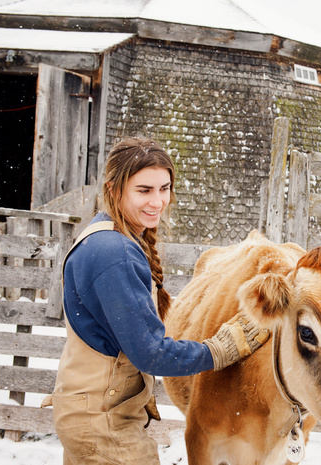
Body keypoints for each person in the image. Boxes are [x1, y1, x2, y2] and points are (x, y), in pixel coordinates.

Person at [44, 137, 269, 464]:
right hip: (103, 422)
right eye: (144, 190)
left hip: (87, 413)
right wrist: (219, 350)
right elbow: (151, 353)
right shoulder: (115, 253)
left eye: (164, 188)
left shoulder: (104, 234)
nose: (158, 201)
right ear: (113, 189)